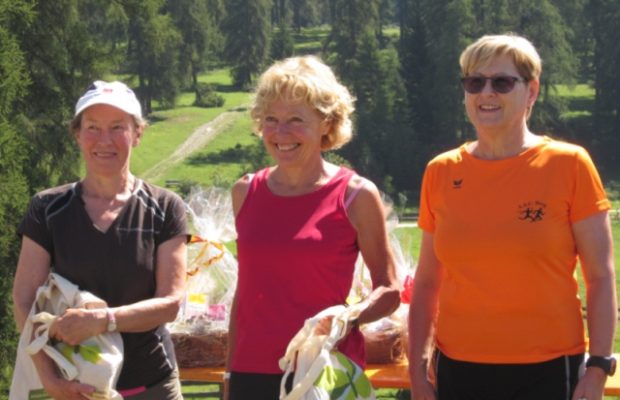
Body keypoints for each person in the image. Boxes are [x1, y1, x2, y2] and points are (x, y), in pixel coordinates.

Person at [408, 33, 617, 400]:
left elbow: (600, 276)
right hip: (458, 367)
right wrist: (417, 366)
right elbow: (427, 283)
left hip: (550, 369)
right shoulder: (440, 171)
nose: (486, 93)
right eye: (475, 82)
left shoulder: (569, 165)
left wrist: (598, 367)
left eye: (502, 82)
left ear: (531, 91)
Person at [225, 55, 401, 400]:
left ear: (327, 122)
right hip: (252, 370)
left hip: (323, 369)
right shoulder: (245, 191)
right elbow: (244, 295)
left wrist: (346, 320)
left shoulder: (356, 195)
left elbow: (390, 289)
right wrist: (230, 373)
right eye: (271, 120)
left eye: (295, 120)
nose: (281, 133)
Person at [12, 80, 189, 400]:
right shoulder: (47, 209)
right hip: (74, 387)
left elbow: (171, 303)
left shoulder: (164, 207)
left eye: (118, 127)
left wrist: (102, 321)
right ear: (77, 133)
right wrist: (49, 379)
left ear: (137, 134)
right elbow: (24, 300)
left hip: (152, 387)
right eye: (93, 127)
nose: (104, 140)